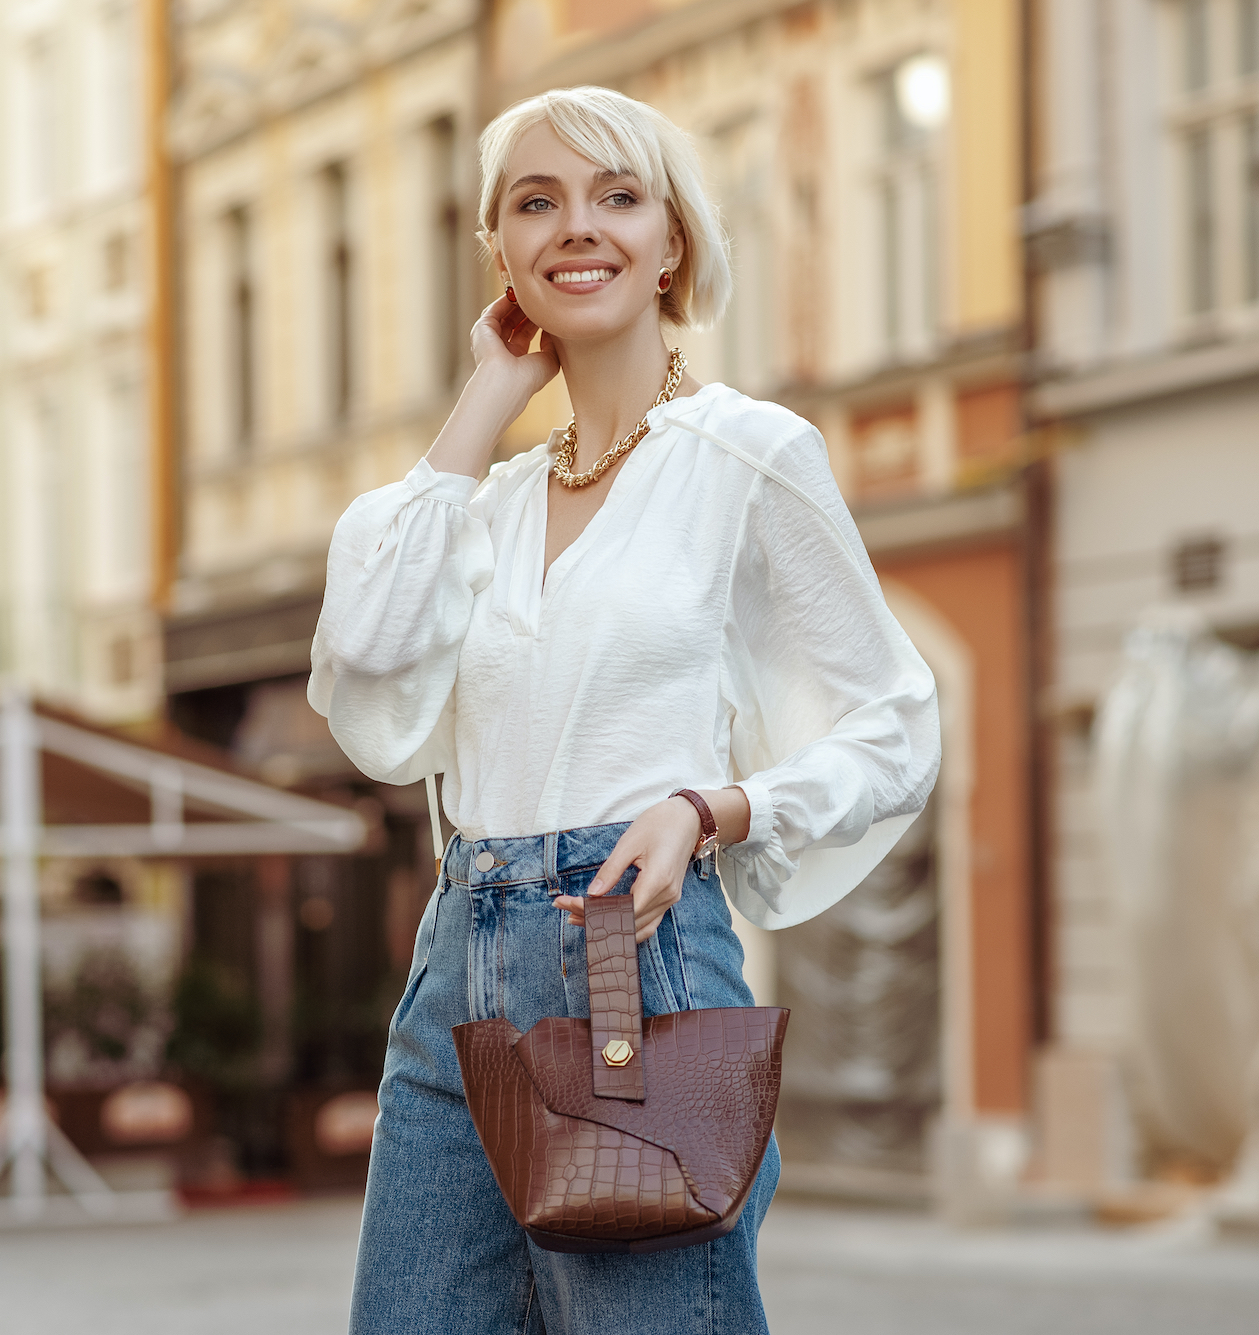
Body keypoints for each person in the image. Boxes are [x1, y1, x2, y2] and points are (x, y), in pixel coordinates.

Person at [309, 84, 940, 1335]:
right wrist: (486, 393)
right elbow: (364, 657)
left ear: (672, 243)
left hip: (632, 969)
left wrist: (715, 808)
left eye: (616, 197)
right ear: (500, 255)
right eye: (534, 204)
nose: (575, 229)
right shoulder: (478, 504)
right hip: (457, 980)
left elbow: (896, 723)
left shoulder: (747, 455)